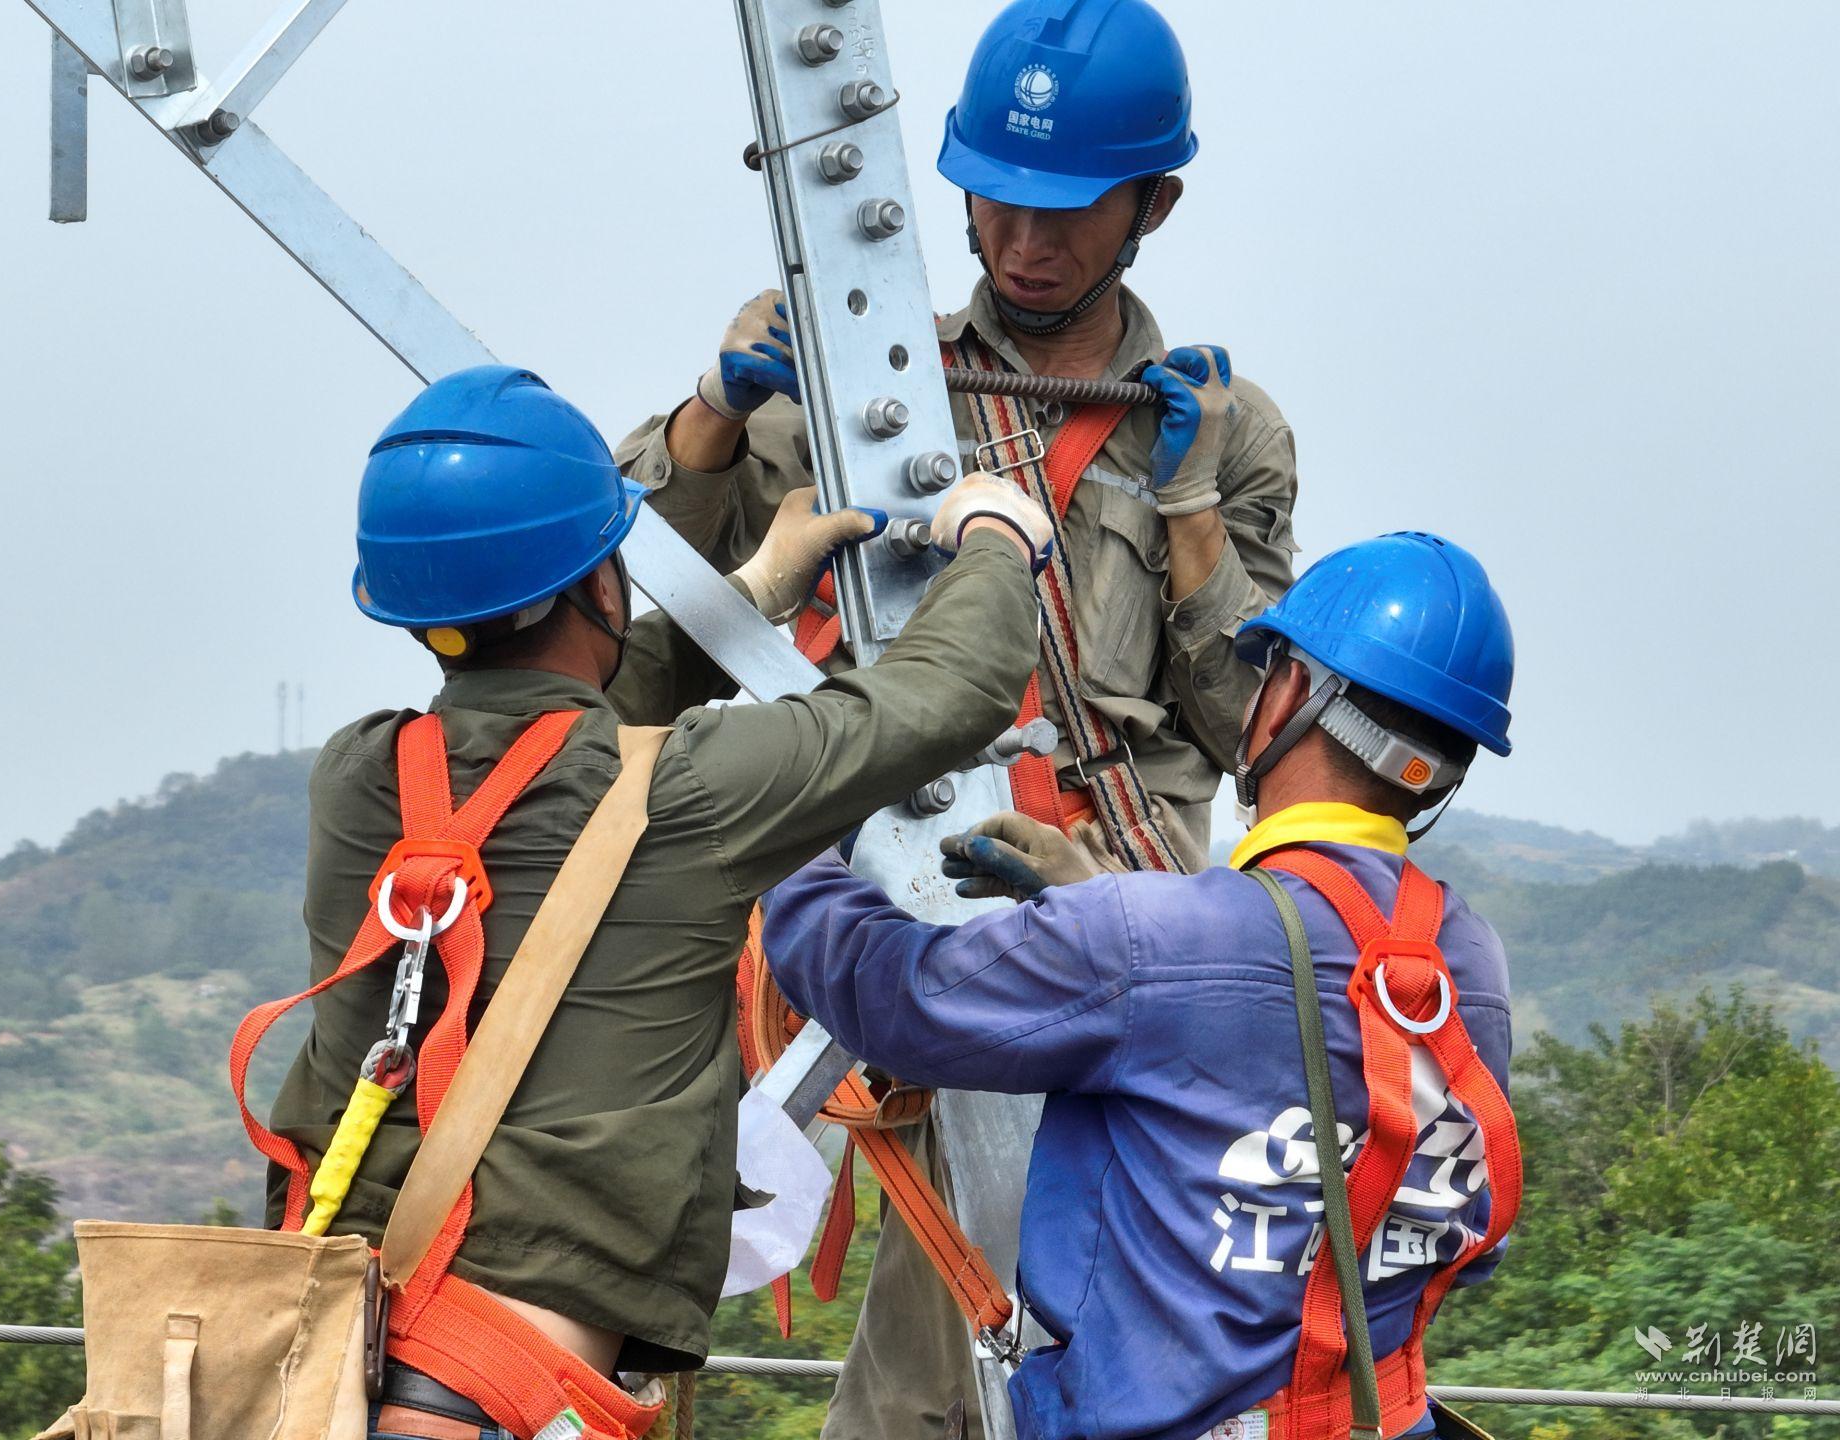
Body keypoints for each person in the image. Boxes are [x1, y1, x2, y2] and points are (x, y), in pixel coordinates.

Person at [618, 3, 1300, 1424]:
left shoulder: (1226, 434)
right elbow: (623, 611)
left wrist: (1183, 512)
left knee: (1106, 1307)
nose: (1025, 242)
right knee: (930, 1339)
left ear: (1151, 206)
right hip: (901, 908)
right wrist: (710, 416)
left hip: (1116, 914)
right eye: (999, 201)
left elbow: (1253, 732)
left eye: (1069, 210)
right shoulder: (868, 384)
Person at [250, 365, 1055, 1440]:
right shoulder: (690, 792)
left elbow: (543, 743)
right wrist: (999, 538)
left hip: (346, 1371)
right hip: (515, 1394)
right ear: (600, 583)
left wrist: (750, 595)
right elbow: (947, 695)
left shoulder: (359, 779)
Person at [761, 532, 1521, 1440]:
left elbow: (892, 999)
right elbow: (1453, 1228)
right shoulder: (1464, 962)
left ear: (1292, 691)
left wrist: (784, 838)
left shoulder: (1149, 940)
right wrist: (1095, 901)